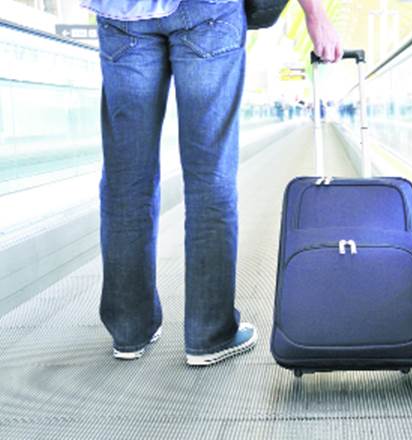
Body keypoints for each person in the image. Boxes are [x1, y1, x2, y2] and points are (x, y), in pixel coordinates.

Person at [81, 0, 342, 366]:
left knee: (126, 179)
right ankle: (209, 335)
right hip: (208, 13)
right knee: (210, 174)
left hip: (121, 14)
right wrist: (315, 14)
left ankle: (129, 330)